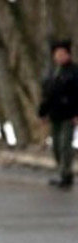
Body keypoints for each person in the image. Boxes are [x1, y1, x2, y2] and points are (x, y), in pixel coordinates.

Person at [38, 39, 78, 189]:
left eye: (62, 54)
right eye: (57, 54)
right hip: (55, 114)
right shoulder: (53, 73)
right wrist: (43, 112)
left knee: (64, 145)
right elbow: (48, 94)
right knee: (55, 146)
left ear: (68, 54)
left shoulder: (74, 72)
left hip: (69, 113)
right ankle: (63, 172)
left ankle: (65, 175)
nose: (59, 57)